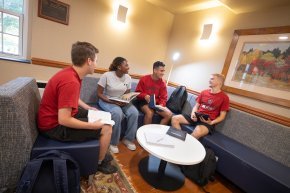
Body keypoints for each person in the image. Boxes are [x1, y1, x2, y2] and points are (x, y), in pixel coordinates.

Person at [37, 41, 117, 174]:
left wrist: (88, 108)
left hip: (54, 117)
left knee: (99, 115)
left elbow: (71, 98)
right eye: (96, 60)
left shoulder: (71, 73)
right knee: (107, 128)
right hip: (53, 126)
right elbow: (64, 120)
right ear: (89, 61)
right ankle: (98, 163)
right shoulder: (71, 81)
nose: (97, 64)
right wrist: (92, 126)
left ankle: (99, 150)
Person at [97, 57, 138, 154]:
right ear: (119, 67)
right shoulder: (106, 75)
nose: (129, 67)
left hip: (121, 101)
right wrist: (113, 102)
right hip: (107, 100)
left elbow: (127, 94)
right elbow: (99, 93)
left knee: (134, 113)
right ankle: (113, 143)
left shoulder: (128, 77)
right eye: (126, 65)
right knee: (117, 113)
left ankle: (128, 139)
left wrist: (125, 100)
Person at [171, 73, 230, 139]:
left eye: (212, 79)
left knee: (198, 131)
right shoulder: (204, 92)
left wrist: (211, 122)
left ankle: (185, 147)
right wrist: (193, 115)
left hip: (207, 122)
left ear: (220, 82)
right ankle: (180, 140)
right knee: (175, 118)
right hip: (196, 116)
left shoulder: (224, 97)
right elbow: (196, 106)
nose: (209, 80)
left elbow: (222, 116)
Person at [134, 61, 173, 125]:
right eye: (161, 71)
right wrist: (145, 96)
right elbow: (137, 93)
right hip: (144, 102)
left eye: (163, 71)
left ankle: (158, 132)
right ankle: (146, 133)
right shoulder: (144, 79)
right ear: (155, 70)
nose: (163, 73)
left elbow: (164, 98)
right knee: (150, 113)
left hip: (156, 104)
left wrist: (161, 105)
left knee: (169, 114)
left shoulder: (163, 83)